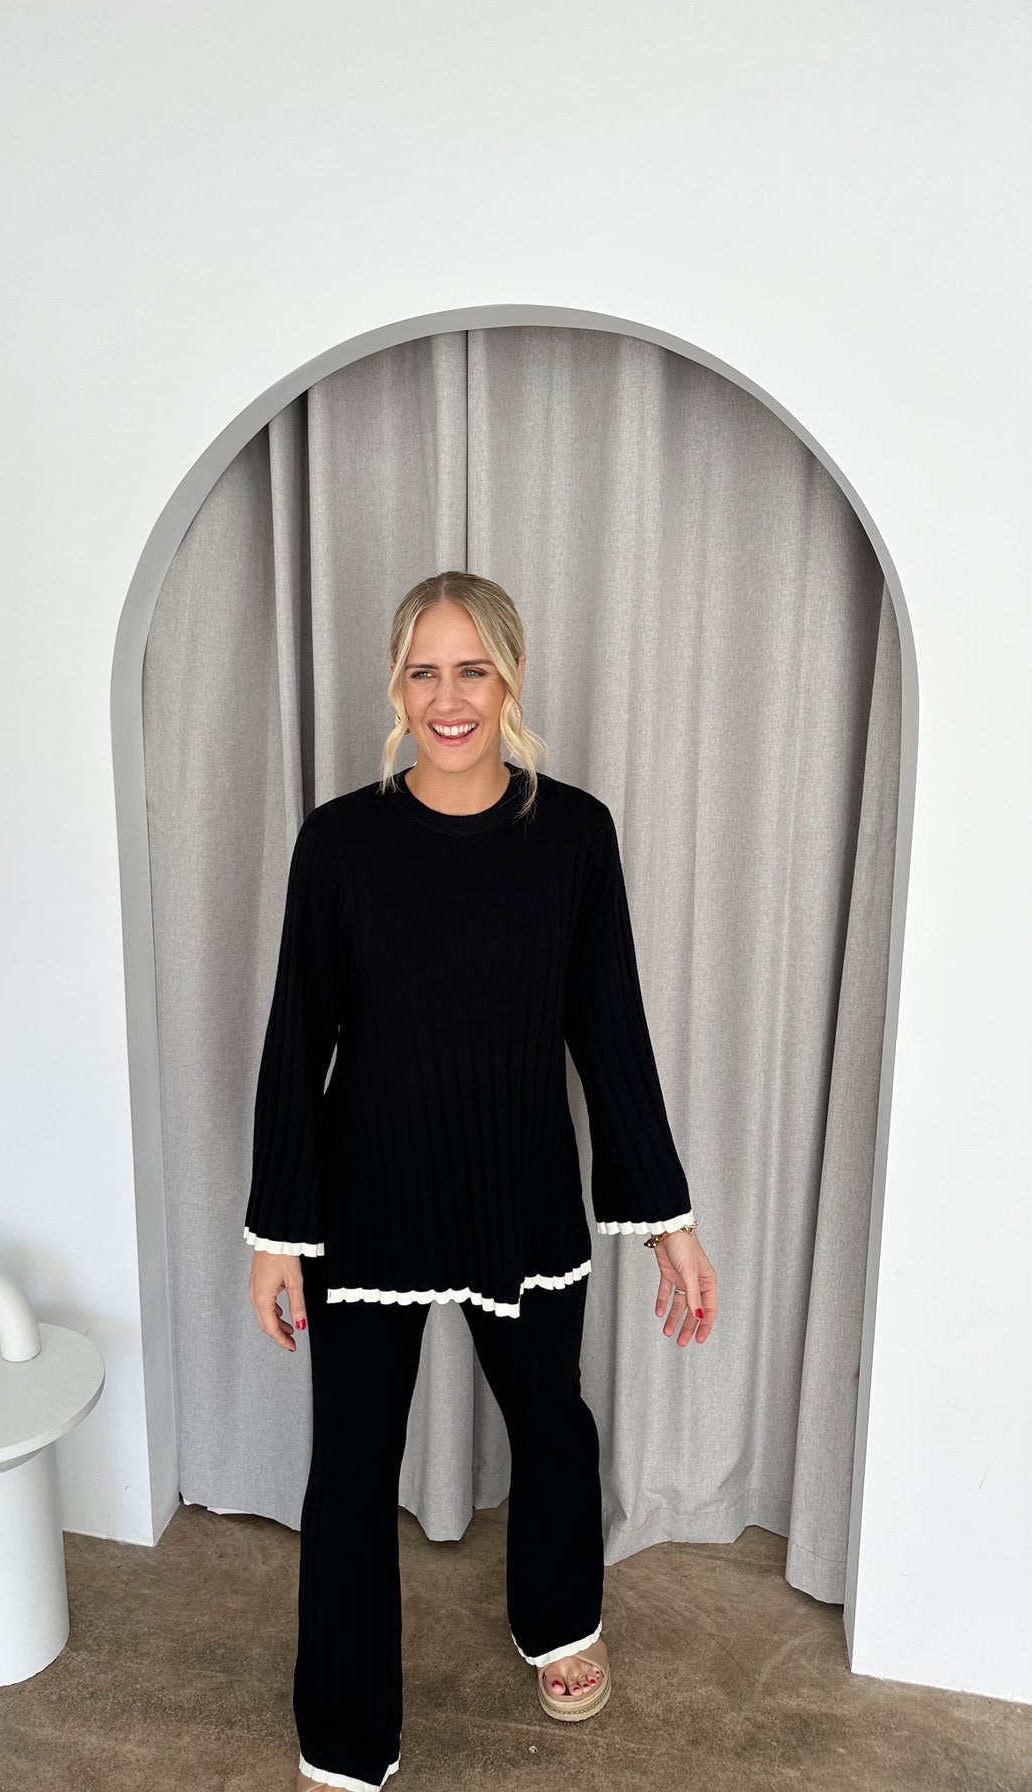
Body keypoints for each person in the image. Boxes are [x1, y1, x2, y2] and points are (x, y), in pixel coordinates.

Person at [243, 570, 719, 1792]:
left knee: (551, 1422)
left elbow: (609, 1032)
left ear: (511, 678)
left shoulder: (575, 836)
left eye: (472, 669)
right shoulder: (339, 843)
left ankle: (560, 1623)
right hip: (368, 1204)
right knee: (353, 1469)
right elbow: (298, 1042)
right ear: (396, 689)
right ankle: (346, 1729)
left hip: (521, 1193)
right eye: (424, 671)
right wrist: (278, 1234)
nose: (448, 698)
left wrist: (668, 1221)